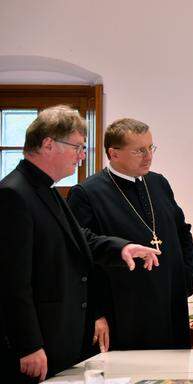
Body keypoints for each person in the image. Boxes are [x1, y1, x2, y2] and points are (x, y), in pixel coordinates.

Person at [0, 106, 161, 382]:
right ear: (48, 144)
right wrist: (28, 345)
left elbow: (80, 240)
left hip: (61, 339)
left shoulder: (47, 191)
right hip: (37, 346)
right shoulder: (13, 195)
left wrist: (122, 248)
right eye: (77, 147)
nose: (82, 155)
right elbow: (11, 282)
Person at [67, 118, 193, 351]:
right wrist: (96, 314)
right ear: (113, 153)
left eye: (150, 148)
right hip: (124, 311)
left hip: (169, 304)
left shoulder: (158, 183)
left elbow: (182, 233)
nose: (148, 156)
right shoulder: (86, 193)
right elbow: (80, 259)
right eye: (139, 150)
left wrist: (183, 282)